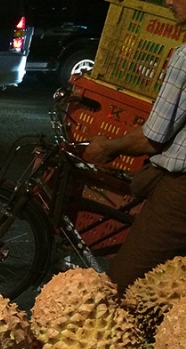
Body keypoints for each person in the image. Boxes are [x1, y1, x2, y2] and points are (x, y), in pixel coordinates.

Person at [83, 0, 186, 294]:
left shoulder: (184, 56)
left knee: (125, 289)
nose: (168, 1)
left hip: (179, 196)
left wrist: (109, 146)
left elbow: (152, 138)